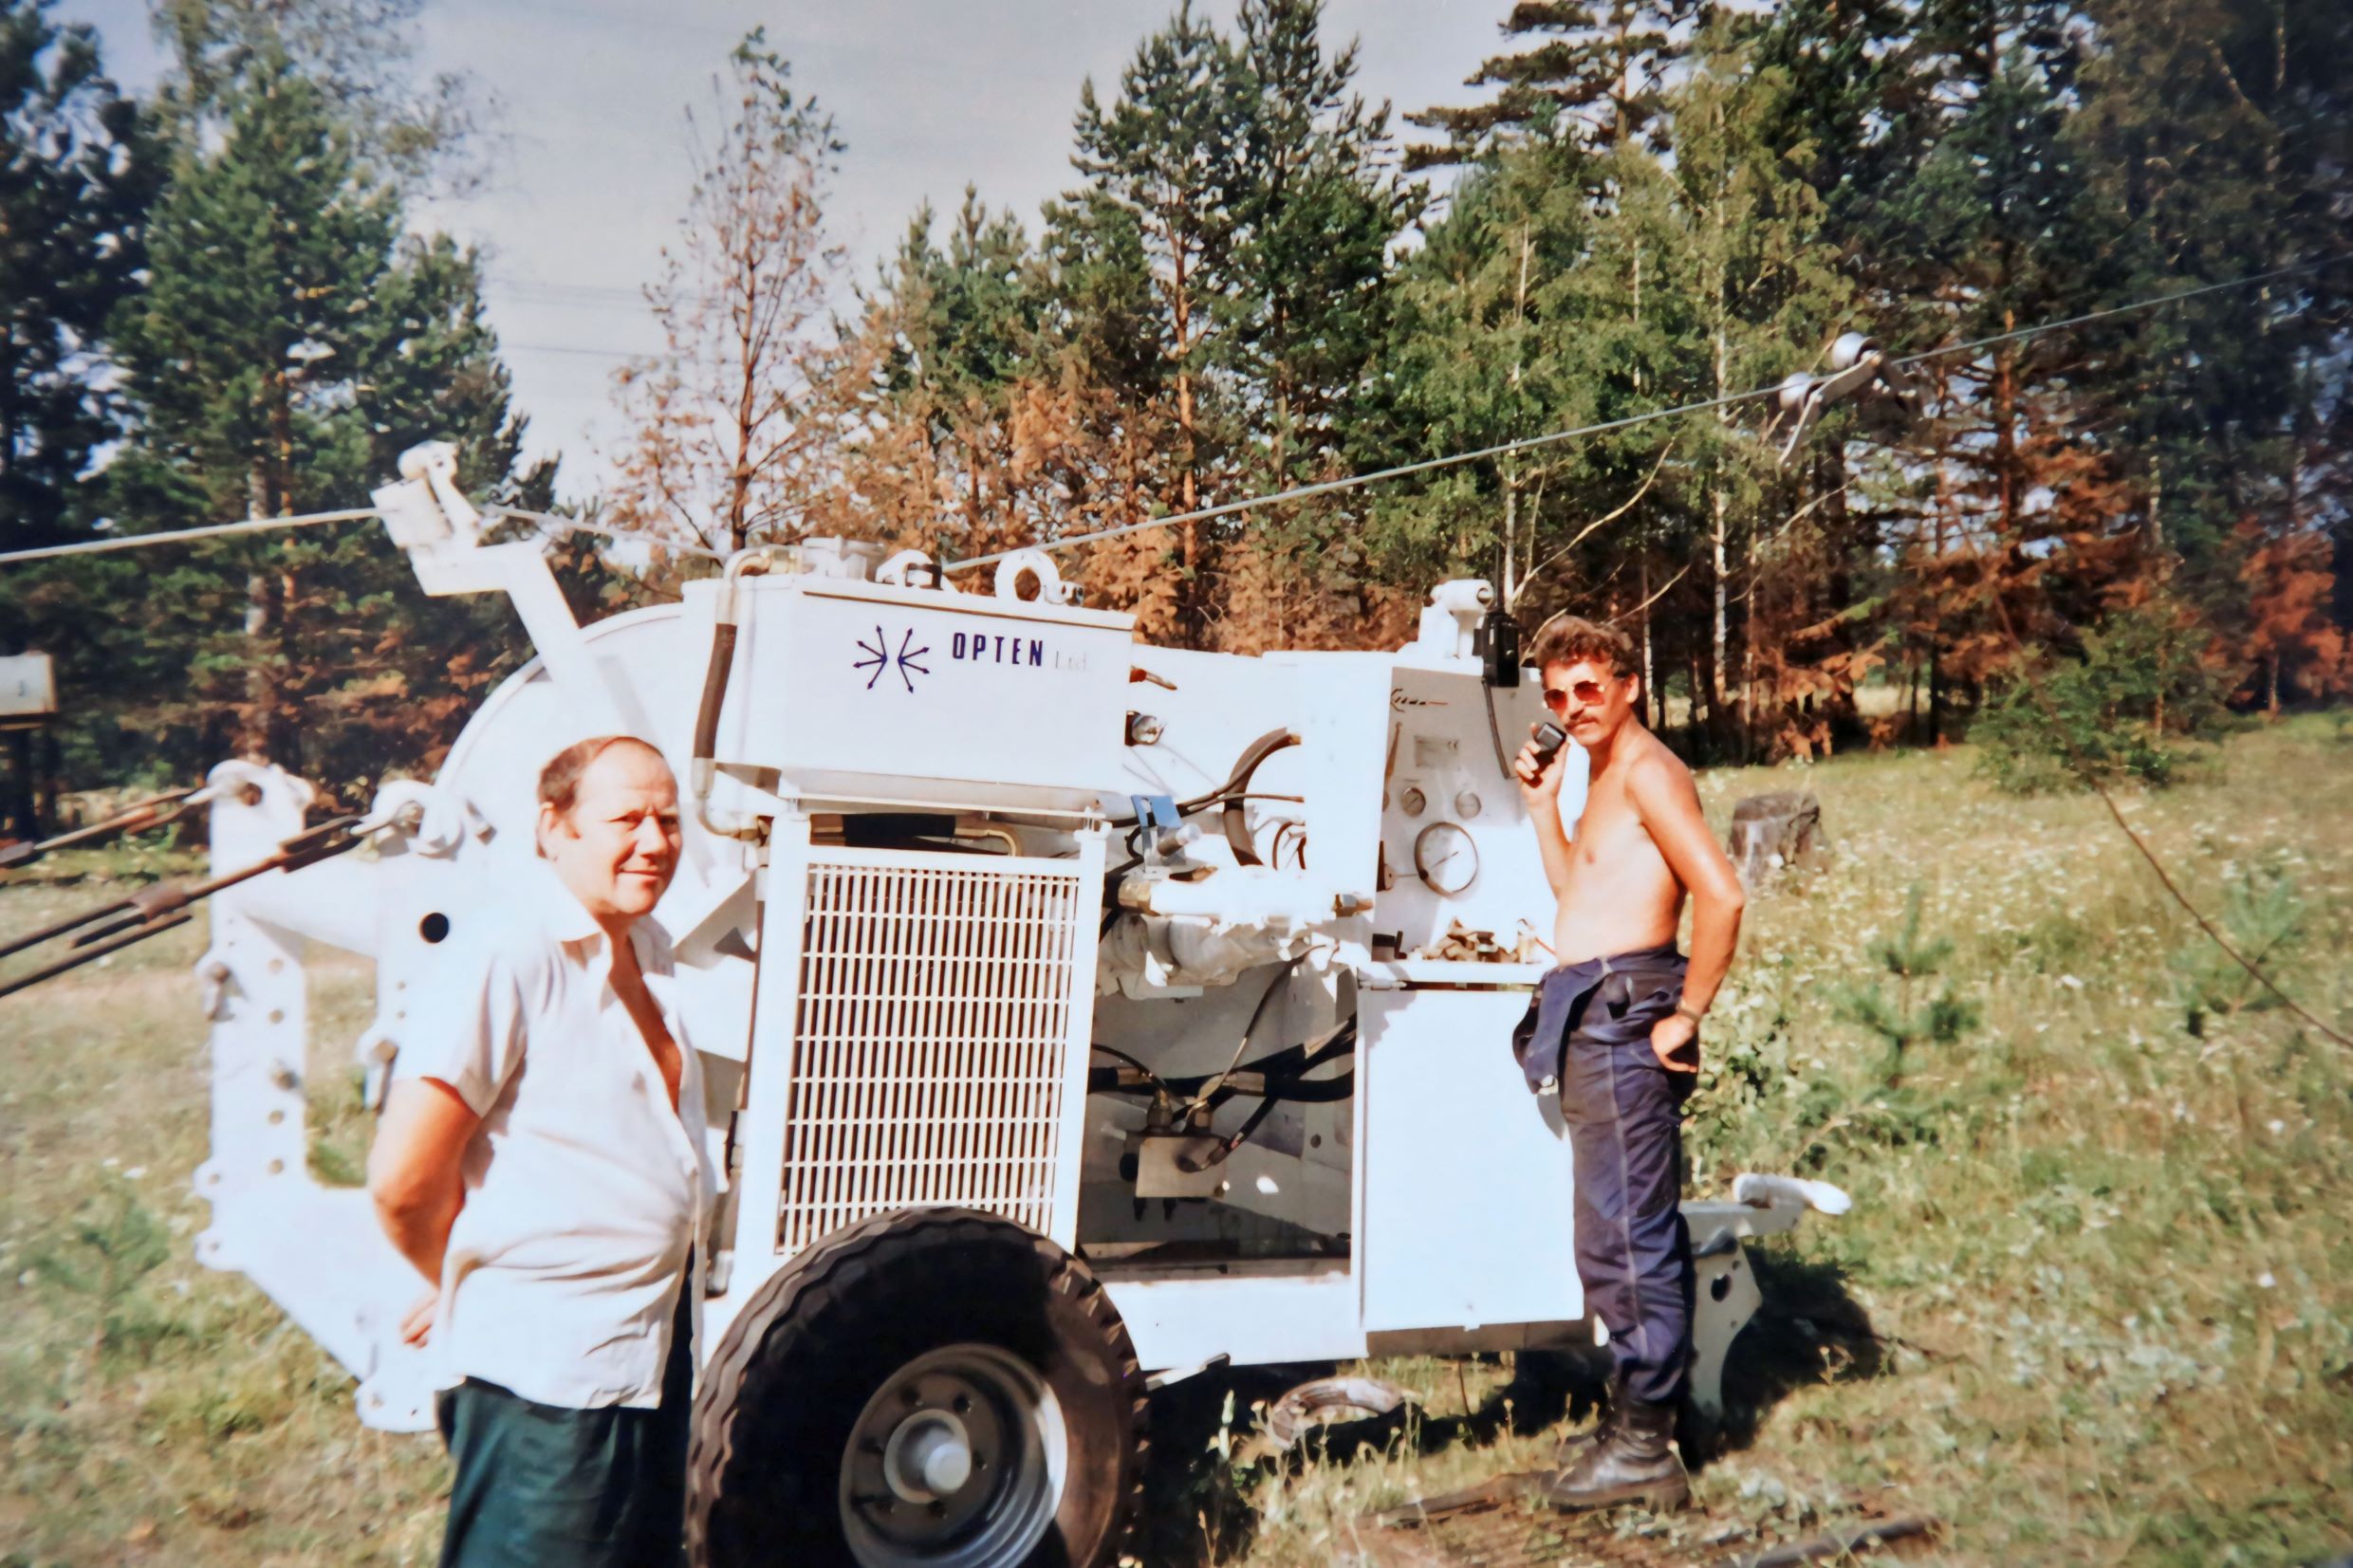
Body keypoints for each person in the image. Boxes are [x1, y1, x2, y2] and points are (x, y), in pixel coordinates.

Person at [367, 735, 714, 1567]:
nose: (655, 841)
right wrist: (460, 1278)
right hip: (546, 1384)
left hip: (650, 1355)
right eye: (627, 818)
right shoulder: (508, 951)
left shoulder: (650, 948)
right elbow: (403, 1181)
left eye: (668, 819)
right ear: (553, 827)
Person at [1510, 617, 1746, 1513]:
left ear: (1630, 683)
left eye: (1590, 689)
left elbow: (1721, 893)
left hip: (1628, 1014)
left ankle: (1645, 1444)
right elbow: (1579, 894)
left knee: (1624, 1234)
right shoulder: (1602, 774)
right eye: (1559, 695)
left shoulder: (1646, 770)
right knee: (1618, 1226)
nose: (1575, 709)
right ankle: (1645, 1418)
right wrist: (1542, 807)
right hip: (1597, 1010)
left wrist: (1687, 1013)